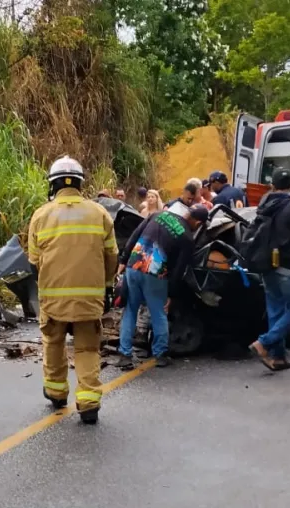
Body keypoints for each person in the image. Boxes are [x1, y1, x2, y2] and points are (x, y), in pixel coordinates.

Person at [27, 156, 119, 425]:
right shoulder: (99, 214)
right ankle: (89, 404)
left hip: (53, 298)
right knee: (87, 348)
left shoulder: (41, 215)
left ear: (53, 185)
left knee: (53, 343)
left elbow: (33, 261)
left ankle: (56, 392)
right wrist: (107, 286)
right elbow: (112, 256)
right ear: (80, 184)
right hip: (89, 298)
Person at [116, 204, 207, 368]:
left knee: (130, 311)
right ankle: (160, 354)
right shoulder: (187, 238)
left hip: (134, 264)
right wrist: (171, 294)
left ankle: (125, 355)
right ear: (198, 223)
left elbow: (135, 235)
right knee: (159, 313)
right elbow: (179, 270)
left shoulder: (157, 215)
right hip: (155, 273)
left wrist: (123, 259)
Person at [248, 168, 290, 371]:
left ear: (272, 186)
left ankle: (278, 357)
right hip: (287, 266)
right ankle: (263, 343)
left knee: (276, 310)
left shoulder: (263, 205)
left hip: (266, 266)